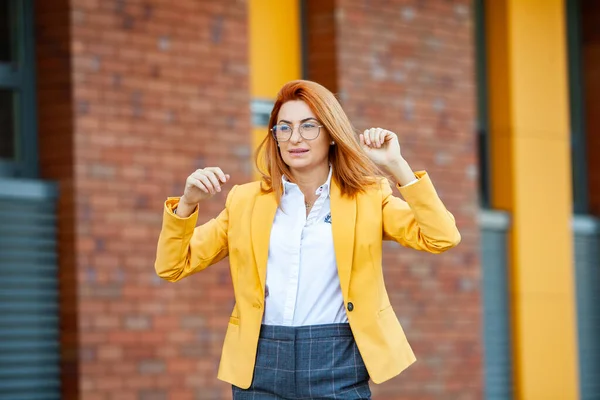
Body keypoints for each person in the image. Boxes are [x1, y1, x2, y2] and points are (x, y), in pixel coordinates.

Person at [154, 80, 461, 399]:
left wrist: (397, 166)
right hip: (260, 364)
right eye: (283, 128)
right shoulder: (245, 201)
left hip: (338, 361)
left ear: (331, 133)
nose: (294, 138)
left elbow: (441, 237)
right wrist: (188, 202)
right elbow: (173, 266)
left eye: (308, 126)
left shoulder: (367, 197)